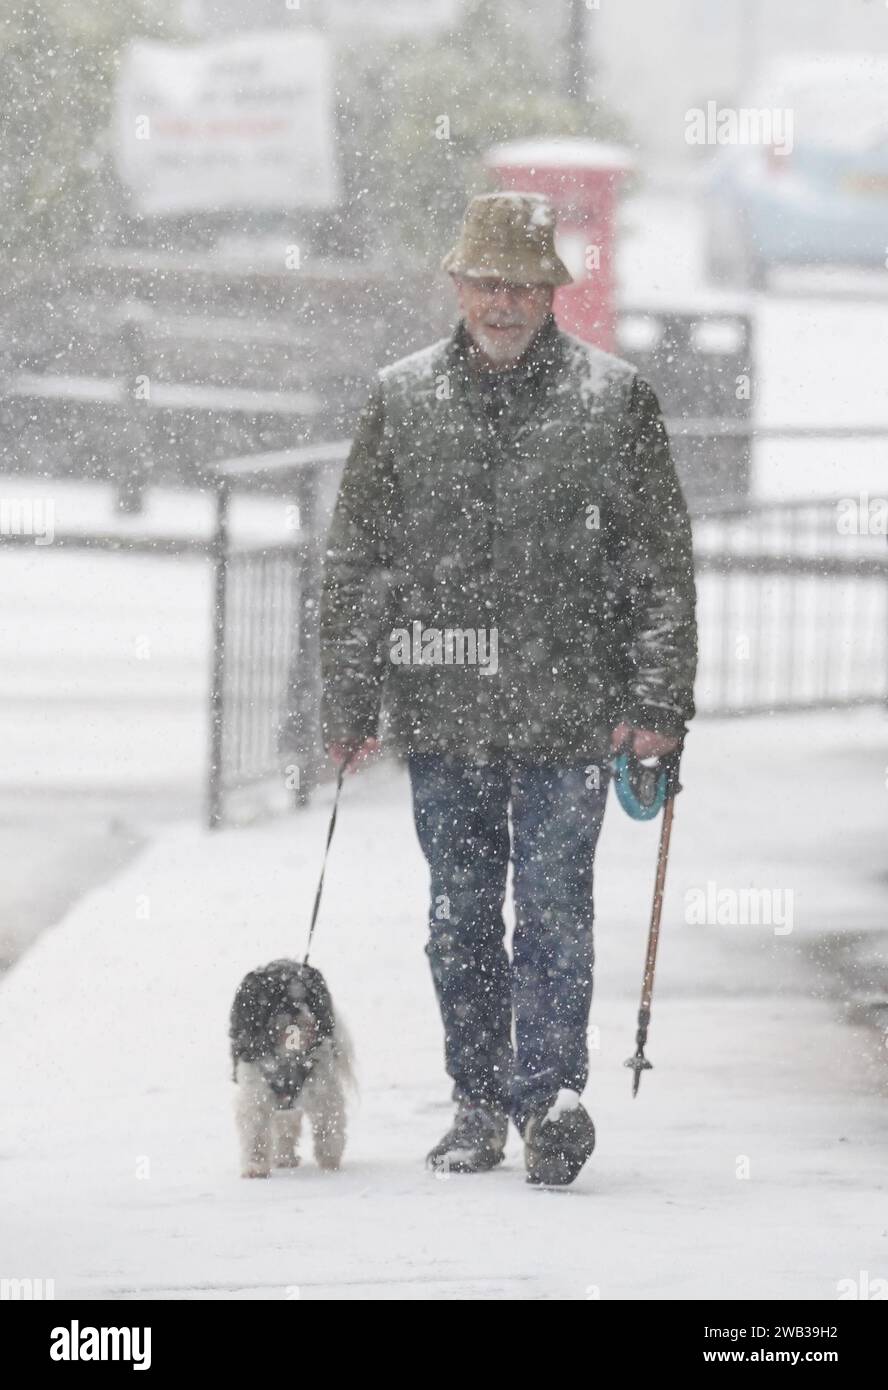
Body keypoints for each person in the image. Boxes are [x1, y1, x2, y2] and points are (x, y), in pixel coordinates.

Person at [320, 192, 697, 1185]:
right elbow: (358, 559)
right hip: (444, 710)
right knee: (459, 912)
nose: (503, 301)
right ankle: (478, 1101)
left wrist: (658, 701)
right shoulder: (400, 401)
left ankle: (549, 1099)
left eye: (523, 285)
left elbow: (658, 561)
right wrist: (351, 699)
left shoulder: (616, 404)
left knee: (557, 906)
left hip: (575, 711)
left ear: (550, 295)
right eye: (488, 282)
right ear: (457, 285)